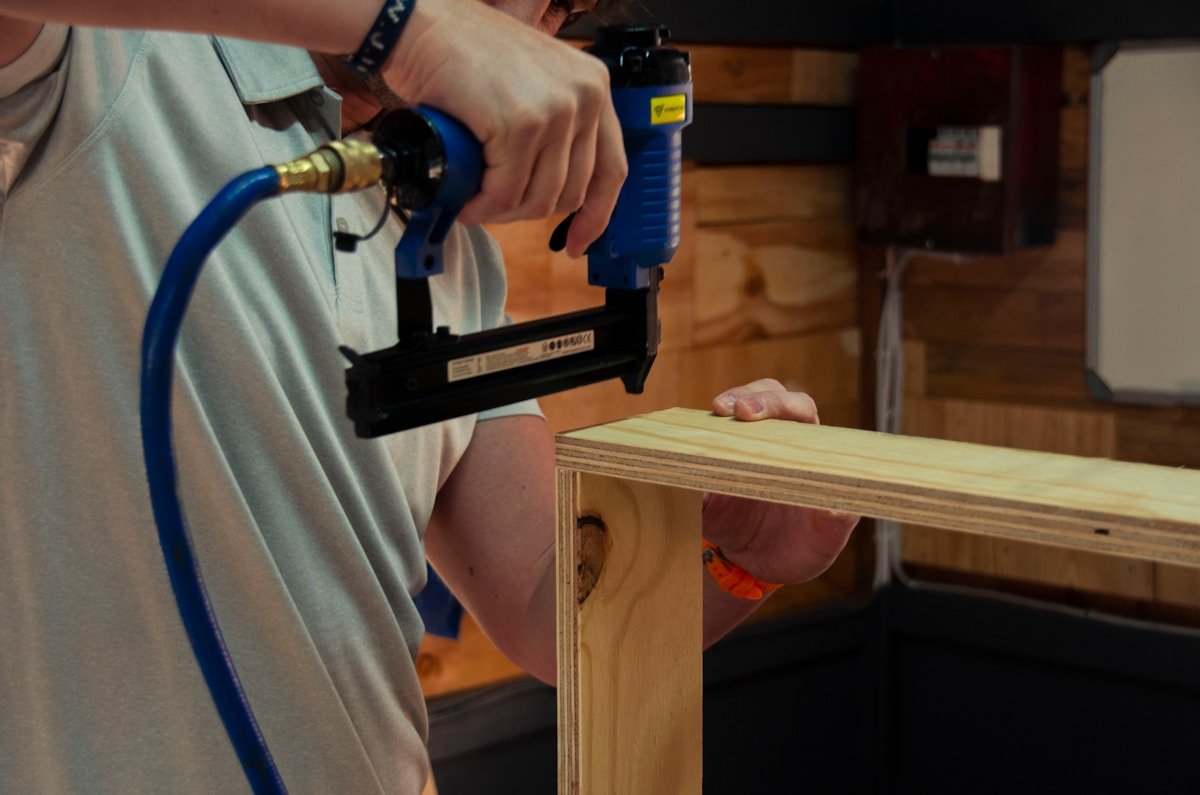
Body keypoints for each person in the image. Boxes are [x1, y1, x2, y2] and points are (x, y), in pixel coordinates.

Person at [0, 1, 859, 791]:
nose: (532, 29)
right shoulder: (104, 62)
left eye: (557, 7)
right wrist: (410, 28)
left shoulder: (442, 238)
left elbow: (549, 604)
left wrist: (733, 557)